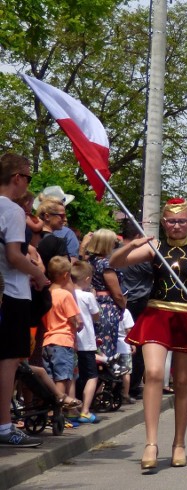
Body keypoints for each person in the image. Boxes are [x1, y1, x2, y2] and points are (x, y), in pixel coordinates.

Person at [112, 198, 187, 470]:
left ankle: (179, 443)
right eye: (171, 221)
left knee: (183, 381)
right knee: (153, 373)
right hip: (157, 315)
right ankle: (151, 444)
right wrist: (132, 244)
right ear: (164, 222)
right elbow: (116, 262)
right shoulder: (155, 247)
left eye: (182, 221)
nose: (176, 226)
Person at [0, 153, 49, 448]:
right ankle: (5, 427)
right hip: (12, 294)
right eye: (28, 178)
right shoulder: (13, 210)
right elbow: (15, 255)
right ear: (17, 177)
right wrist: (39, 276)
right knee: (7, 363)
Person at [41, 257, 83, 417]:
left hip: (47, 340)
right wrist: (79, 325)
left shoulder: (47, 294)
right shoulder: (65, 295)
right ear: (66, 275)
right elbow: (74, 319)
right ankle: (57, 412)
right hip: (63, 340)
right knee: (62, 378)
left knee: (50, 378)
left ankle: (51, 408)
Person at [118, 227, 153, 400]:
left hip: (120, 303)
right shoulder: (140, 257)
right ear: (137, 237)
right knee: (137, 344)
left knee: (121, 342)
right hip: (137, 302)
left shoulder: (116, 253)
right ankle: (132, 385)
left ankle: (122, 383)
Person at [86, 229, 126, 361]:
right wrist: (123, 306)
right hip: (107, 307)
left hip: (93, 304)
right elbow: (117, 293)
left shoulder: (89, 261)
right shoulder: (106, 264)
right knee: (106, 346)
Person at [71, 261, 104, 417]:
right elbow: (96, 316)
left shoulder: (68, 293)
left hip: (72, 341)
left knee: (75, 376)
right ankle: (85, 410)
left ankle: (73, 407)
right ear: (87, 279)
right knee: (92, 376)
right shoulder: (87, 296)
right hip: (87, 342)